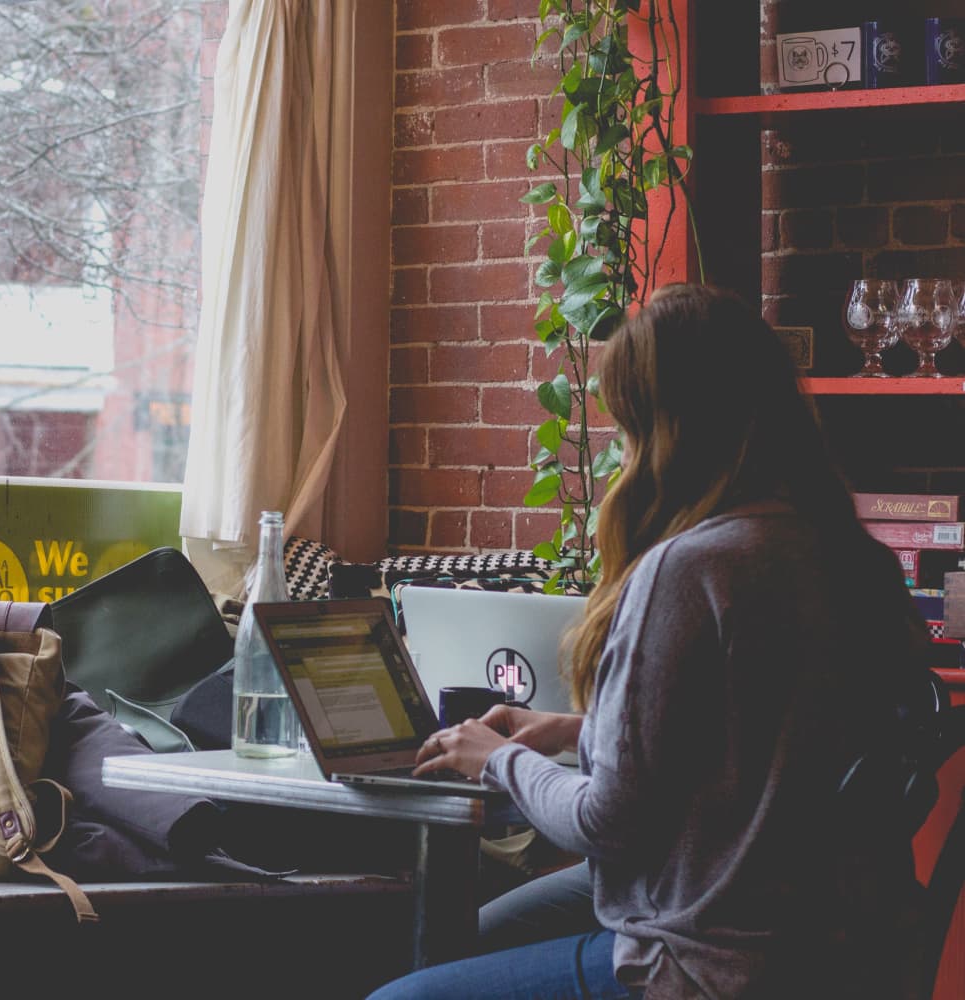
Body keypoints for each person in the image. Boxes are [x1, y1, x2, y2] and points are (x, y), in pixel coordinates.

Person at [366, 283, 933, 1000]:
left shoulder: (693, 568)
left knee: (400, 995)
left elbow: (605, 822)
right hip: (842, 949)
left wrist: (498, 759)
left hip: (714, 958)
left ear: (667, 429)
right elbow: (762, 741)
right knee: (465, 939)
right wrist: (572, 730)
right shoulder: (851, 557)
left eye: (628, 423)